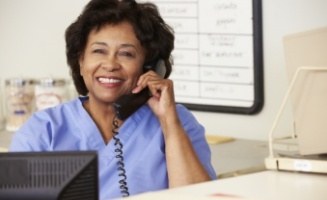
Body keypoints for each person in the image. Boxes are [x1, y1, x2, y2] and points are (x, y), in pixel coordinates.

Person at [9, 0, 216, 199]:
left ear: (149, 67)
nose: (110, 64)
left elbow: (199, 197)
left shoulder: (178, 122)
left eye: (126, 54)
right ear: (81, 61)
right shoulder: (43, 131)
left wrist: (169, 124)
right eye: (99, 51)